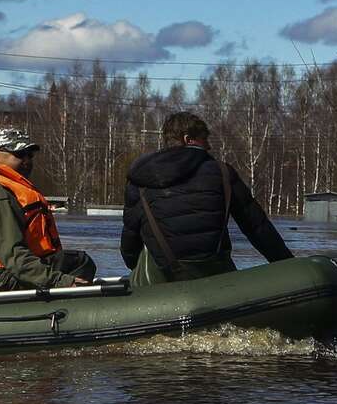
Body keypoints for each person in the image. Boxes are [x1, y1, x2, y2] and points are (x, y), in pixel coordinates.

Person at [121, 113, 293, 287]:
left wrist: (134, 266)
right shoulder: (222, 173)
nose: (209, 146)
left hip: (162, 279)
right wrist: (287, 264)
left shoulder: (140, 181)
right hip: (216, 279)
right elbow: (257, 227)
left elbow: (130, 243)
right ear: (188, 139)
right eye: (204, 139)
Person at [0, 127, 97, 293]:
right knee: (80, 262)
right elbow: (14, 256)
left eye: (29, 155)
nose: (26, 160)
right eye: (18, 154)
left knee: (68, 260)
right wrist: (61, 282)